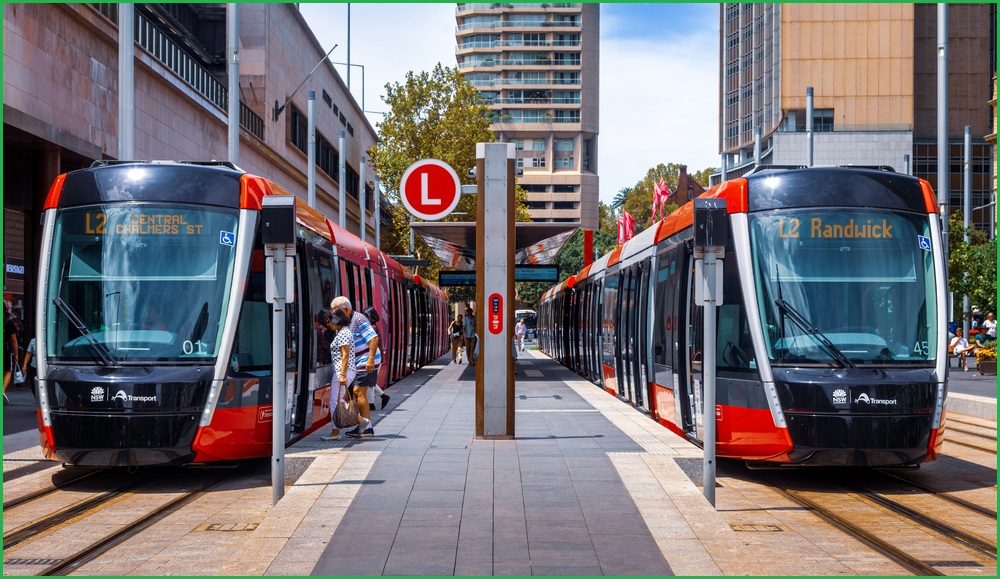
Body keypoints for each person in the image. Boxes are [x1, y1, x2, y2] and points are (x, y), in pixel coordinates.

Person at [331, 296, 380, 437]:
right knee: (356, 393)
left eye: (336, 310)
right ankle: (363, 424)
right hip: (357, 361)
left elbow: (373, 338)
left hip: (366, 360)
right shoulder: (346, 321)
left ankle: (367, 427)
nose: (334, 314)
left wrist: (370, 359)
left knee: (359, 392)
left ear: (346, 309)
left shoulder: (358, 319)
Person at [320, 308, 359, 441]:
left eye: (329, 321)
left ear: (336, 319)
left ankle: (335, 432)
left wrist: (342, 374)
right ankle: (362, 421)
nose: (328, 324)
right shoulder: (344, 332)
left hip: (343, 371)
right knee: (339, 401)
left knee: (334, 402)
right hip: (345, 371)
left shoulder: (343, 333)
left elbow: (345, 355)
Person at [361, 306, 390, 410]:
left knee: (369, 382)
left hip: (374, 358)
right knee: (370, 381)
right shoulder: (374, 327)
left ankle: (372, 404)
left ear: (370, 317)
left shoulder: (371, 328)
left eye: (365, 316)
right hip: (376, 357)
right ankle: (382, 398)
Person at [3, 308, 20, 402]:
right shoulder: (9, 322)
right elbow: (13, 340)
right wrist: (16, 354)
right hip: (5, 350)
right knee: (8, 371)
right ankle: (2, 390)